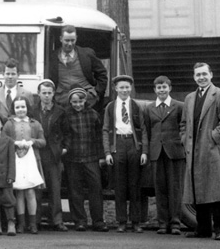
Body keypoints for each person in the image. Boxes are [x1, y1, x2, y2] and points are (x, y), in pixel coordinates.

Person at [181, 63, 220, 241]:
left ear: (211, 74)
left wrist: (213, 137)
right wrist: (184, 139)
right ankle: (202, 229)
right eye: (198, 75)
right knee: (198, 190)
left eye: (204, 74)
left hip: (211, 149)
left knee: (216, 190)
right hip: (193, 150)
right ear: (194, 77)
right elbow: (183, 124)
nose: (201, 77)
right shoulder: (189, 98)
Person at [102, 75, 148, 233]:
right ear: (115, 89)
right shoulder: (110, 107)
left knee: (134, 185)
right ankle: (121, 221)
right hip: (118, 145)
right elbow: (105, 130)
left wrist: (144, 151)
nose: (124, 90)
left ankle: (136, 221)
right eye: (121, 87)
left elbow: (143, 129)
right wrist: (108, 152)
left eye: (127, 87)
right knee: (120, 186)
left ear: (131, 89)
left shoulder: (136, 106)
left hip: (133, 145)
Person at [143, 76, 185, 235]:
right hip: (156, 153)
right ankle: (162, 223)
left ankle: (175, 223)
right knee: (160, 188)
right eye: (159, 87)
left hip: (174, 153)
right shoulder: (149, 108)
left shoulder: (179, 106)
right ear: (155, 90)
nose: (161, 90)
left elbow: (183, 127)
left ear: (170, 88)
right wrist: (147, 151)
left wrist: (179, 144)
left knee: (175, 188)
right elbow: (147, 130)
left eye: (164, 87)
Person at [63, 87, 108, 232]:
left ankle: (98, 221)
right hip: (73, 158)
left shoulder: (93, 114)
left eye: (80, 101)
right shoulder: (66, 115)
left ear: (85, 100)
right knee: (75, 191)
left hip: (91, 157)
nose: (77, 104)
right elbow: (65, 136)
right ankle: (80, 221)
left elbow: (99, 137)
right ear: (70, 102)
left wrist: (101, 156)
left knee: (96, 189)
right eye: (74, 102)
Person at [29, 79, 69, 231]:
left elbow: (67, 133)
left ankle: (57, 220)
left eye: (49, 93)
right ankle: (36, 220)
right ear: (38, 94)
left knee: (55, 188)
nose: (46, 96)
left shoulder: (60, 111)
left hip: (53, 154)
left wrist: (64, 149)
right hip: (36, 154)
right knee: (37, 189)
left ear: (53, 94)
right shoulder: (32, 110)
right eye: (43, 93)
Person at [6, 98, 46, 234]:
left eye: (23, 107)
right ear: (13, 109)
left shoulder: (35, 124)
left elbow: (43, 141)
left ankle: (33, 223)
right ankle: (21, 223)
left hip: (31, 160)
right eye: (17, 107)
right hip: (16, 160)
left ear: (27, 107)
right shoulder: (9, 124)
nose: (20, 110)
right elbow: (4, 140)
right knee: (19, 192)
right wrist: (15, 143)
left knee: (30, 191)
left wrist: (32, 141)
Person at [47, 25, 108, 111]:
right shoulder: (52, 57)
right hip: (62, 102)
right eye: (67, 40)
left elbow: (102, 74)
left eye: (73, 40)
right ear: (61, 39)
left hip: (87, 101)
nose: (70, 44)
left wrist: (98, 93)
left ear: (76, 38)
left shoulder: (87, 54)